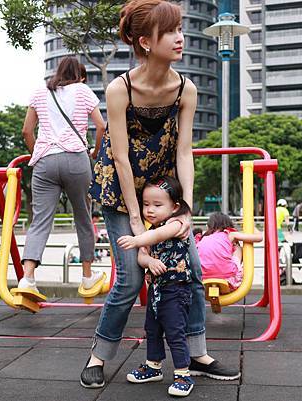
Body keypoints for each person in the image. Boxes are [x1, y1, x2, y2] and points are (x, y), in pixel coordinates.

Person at [84, 0, 239, 389]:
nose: (180, 38)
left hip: (163, 191)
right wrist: (138, 229)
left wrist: (184, 211)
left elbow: (184, 152)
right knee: (131, 276)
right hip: (120, 192)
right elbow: (120, 158)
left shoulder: (185, 88)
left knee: (193, 268)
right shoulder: (121, 89)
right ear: (145, 42)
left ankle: (198, 355)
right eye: (170, 31)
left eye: (179, 29)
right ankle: (99, 355)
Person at [19, 56, 106, 294]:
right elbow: (101, 126)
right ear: (80, 75)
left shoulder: (40, 92)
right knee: (84, 217)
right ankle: (87, 276)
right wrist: (96, 152)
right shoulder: (83, 90)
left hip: (45, 161)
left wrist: (38, 152)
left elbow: (27, 130)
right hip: (77, 159)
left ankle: (27, 278)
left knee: (40, 220)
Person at [116, 176, 195, 396]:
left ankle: (182, 373)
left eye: (158, 205)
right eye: (146, 204)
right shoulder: (151, 229)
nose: (150, 210)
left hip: (176, 290)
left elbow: (160, 235)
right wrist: (149, 261)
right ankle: (153, 366)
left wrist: (137, 240)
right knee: (152, 328)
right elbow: (142, 258)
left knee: (175, 331)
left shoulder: (177, 224)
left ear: (175, 206)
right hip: (157, 290)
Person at [197, 212, 263, 291]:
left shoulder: (204, 238)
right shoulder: (230, 234)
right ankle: (236, 270)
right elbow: (259, 237)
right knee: (237, 248)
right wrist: (252, 225)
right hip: (229, 278)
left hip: (203, 280)